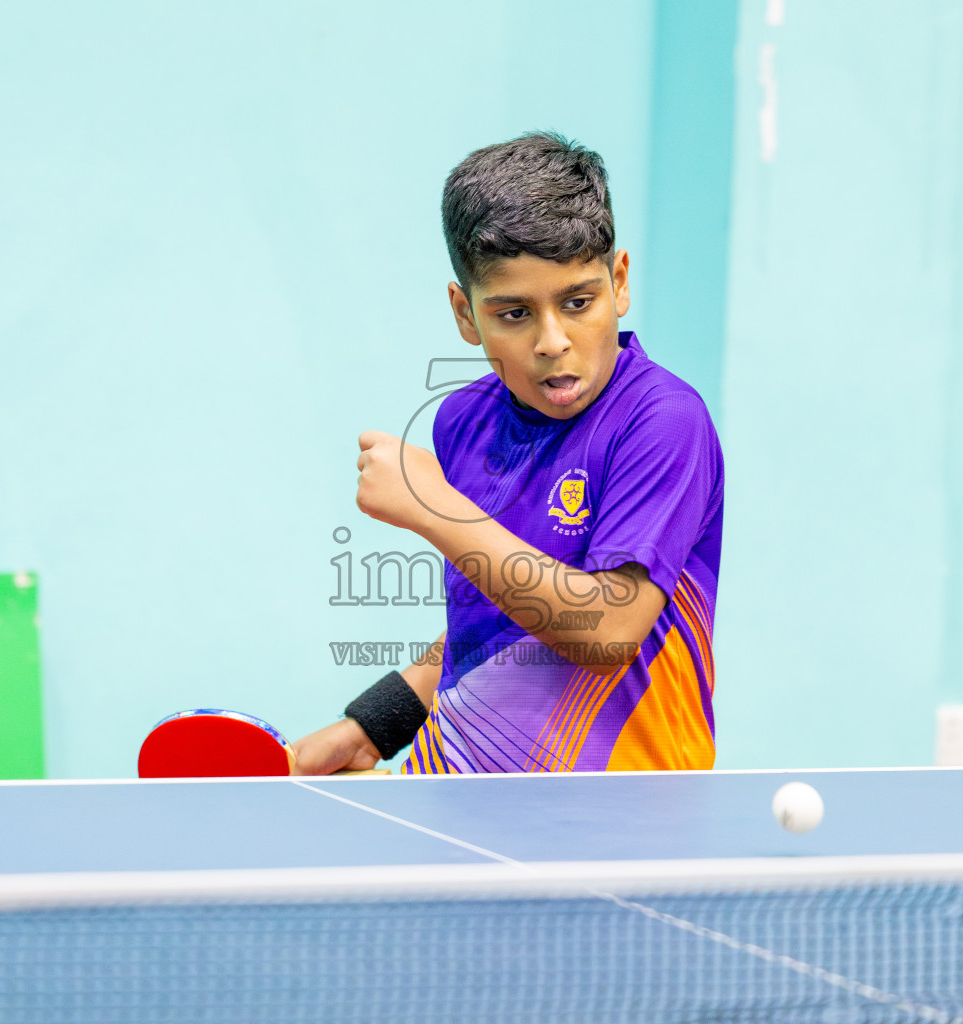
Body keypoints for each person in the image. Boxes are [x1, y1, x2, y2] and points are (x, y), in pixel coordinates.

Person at [292, 131, 723, 775]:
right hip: (453, 798)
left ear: (620, 282)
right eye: (515, 313)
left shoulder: (661, 422)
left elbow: (608, 630)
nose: (554, 340)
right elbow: (497, 630)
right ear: (467, 315)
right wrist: (374, 725)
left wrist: (433, 507)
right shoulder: (463, 421)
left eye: (579, 302)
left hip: (619, 824)